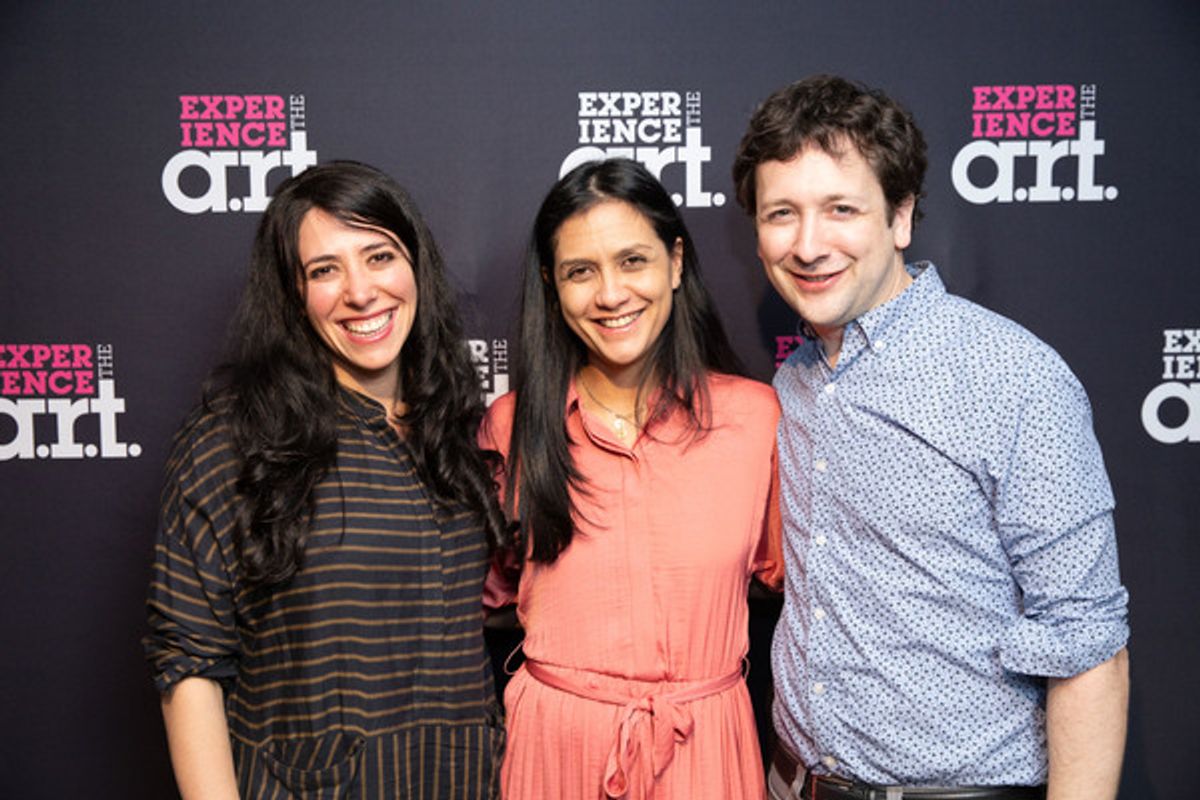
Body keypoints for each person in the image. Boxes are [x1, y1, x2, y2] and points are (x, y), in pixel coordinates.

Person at [732, 75, 1130, 800]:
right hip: (793, 784)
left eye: (841, 209)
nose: (809, 243)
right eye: (781, 213)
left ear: (901, 216)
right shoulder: (793, 381)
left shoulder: (1012, 378)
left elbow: (1088, 644)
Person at [144, 161, 506, 798]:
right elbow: (189, 663)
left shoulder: (460, 433)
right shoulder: (232, 440)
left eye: (378, 256)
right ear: (291, 293)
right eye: (324, 270)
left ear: (415, 264)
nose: (361, 292)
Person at [480, 157, 782, 799]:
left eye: (633, 261)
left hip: (703, 750)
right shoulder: (510, 427)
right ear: (551, 285)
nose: (611, 294)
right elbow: (479, 593)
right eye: (580, 272)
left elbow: (807, 589)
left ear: (675, 263)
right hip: (553, 754)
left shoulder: (755, 419)